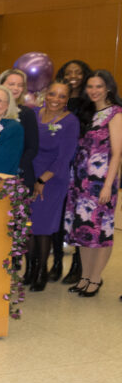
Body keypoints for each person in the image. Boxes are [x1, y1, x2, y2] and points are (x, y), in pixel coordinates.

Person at [64, 70, 122, 298]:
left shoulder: (116, 114)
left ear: (108, 87)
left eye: (99, 86)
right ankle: (85, 276)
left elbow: (117, 154)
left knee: (101, 231)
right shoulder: (89, 114)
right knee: (83, 230)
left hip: (101, 183)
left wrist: (109, 186)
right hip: (80, 182)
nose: (94, 91)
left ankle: (96, 278)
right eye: (90, 87)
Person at [25, 81, 79, 291]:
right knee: (28, 226)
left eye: (62, 96)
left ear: (67, 100)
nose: (56, 99)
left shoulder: (70, 122)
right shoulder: (34, 113)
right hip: (30, 176)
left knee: (43, 228)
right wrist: (31, 178)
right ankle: (29, 269)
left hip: (53, 180)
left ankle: (41, 272)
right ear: (45, 94)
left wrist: (42, 181)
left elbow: (64, 157)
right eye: (52, 94)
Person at [52, 60, 92, 283]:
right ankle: (57, 262)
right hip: (59, 166)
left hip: (83, 168)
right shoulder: (58, 100)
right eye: (69, 73)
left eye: (78, 73)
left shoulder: (90, 103)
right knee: (58, 217)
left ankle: (77, 265)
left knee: (78, 217)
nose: (74, 76)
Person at [0, 68, 40, 189]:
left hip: (19, 176)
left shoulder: (27, 113)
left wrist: (14, 168)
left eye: (20, 85)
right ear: (0, 85)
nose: (16, 88)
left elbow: (32, 148)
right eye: (11, 84)